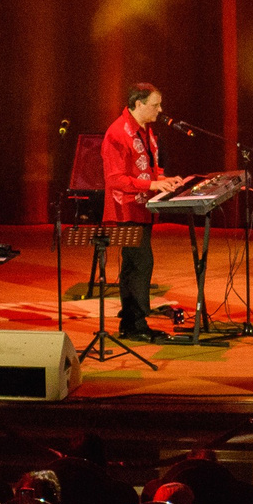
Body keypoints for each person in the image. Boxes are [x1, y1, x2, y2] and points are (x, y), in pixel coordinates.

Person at [101, 82, 175, 344]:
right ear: (138, 104)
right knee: (140, 264)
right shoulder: (117, 133)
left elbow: (150, 166)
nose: (160, 109)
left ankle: (133, 323)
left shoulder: (146, 131)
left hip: (142, 208)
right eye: (155, 105)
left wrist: (165, 180)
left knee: (136, 265)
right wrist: (152, 184)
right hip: (125, 210)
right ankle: (134, 323)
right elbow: (115, 179)